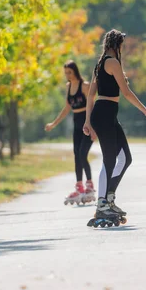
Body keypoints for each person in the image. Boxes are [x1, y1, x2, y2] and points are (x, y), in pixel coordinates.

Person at [83, 29, 146, 224]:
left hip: (107, 114)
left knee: (125, 158)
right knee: (109, 159)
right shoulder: (112, 62)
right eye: (121, 44)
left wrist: (88, 121)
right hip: (104, 113)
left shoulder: (99, 65)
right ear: (116, 45)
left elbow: (90, 95)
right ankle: (102, 204)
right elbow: (126, 92)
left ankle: (109, 198)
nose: (122, 47)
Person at [45, 60, 95, 205]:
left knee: (82, 154)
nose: (67, 75)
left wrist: (93, 127)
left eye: (70, 72)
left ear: (75, 72)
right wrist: (54, 123)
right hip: (76, 124)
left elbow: (92, 105)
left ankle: (89, 185)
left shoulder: (85, 86)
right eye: (66, 72)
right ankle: (79, 186)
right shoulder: (68, 87)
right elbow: (67, 108)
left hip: (87, 123)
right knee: (76, 155)